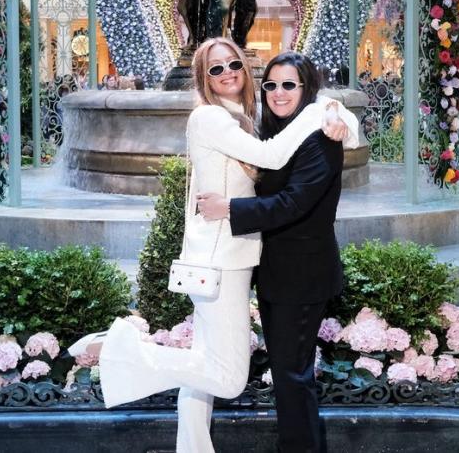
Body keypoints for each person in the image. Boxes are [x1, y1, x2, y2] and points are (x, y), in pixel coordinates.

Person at [68, 37, 358, 453]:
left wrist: (334, 110)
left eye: (233, 65)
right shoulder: (216, 120)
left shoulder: (251, 120)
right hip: (225, 260)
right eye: (215, 69)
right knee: (226, 376)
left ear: (245, 67)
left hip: (274, 268)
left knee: (225, 370)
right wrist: (319, 110)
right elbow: (274, 160)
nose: (227, 74)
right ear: (203, 79)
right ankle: (119, 350)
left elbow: (291, 189)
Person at [194, 52, 347, 453]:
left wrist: (228, 209)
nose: (278, 93)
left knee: (293, 377)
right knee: (288, 375)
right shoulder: (274, 131)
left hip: (302, 274)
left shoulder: (320, 139)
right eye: (272, 85)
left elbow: (293, 204)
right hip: (278, 273)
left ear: (306, 89)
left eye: (289, 85)